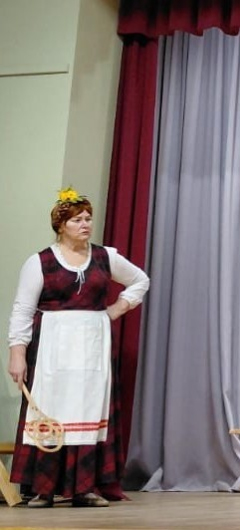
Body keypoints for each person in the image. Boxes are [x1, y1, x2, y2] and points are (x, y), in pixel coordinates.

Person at [7, 187, 149, 508]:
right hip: (52, 347)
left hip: (92, 346)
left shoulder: (104, 257)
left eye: (88, 218)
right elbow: (22, 310)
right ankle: (44, 489)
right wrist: (17, 353)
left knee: (88, 408)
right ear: (61, 225)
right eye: (77, 220)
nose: (85, 224)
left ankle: (84, 487)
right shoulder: (41, 262)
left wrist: (117, 309)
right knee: (50, 409)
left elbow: (140, 280)